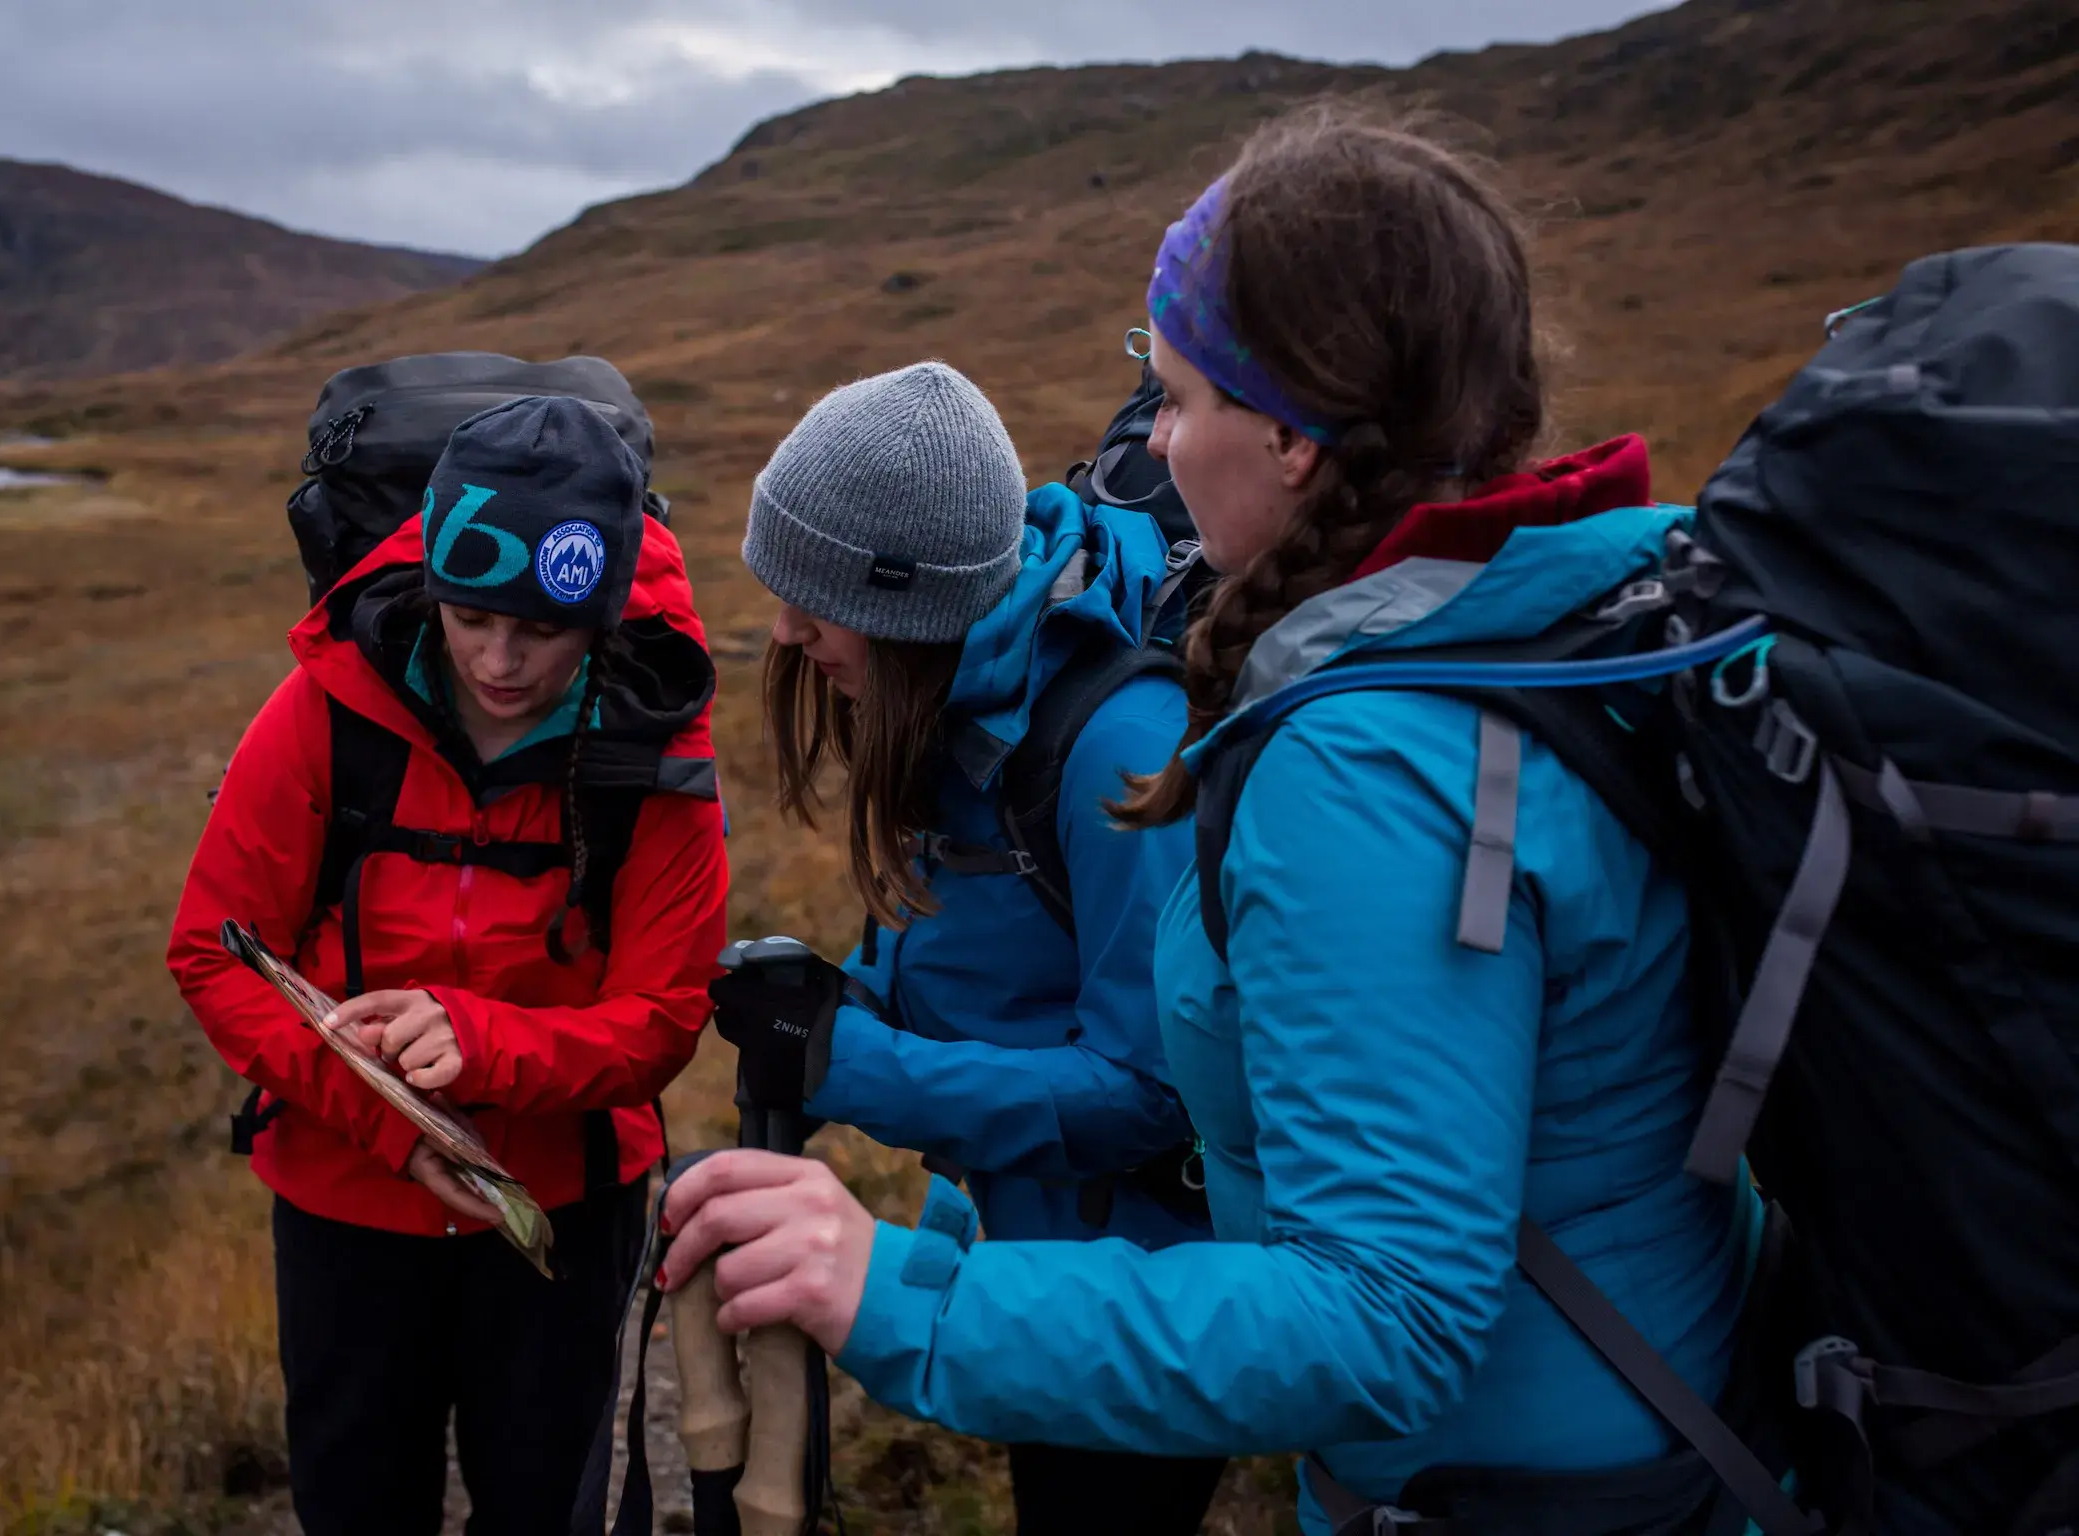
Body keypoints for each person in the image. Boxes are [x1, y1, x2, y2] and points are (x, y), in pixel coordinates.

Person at [659, 111, 1756, 1534]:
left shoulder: (1369, 764)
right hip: (1646, 1420)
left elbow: (1389, 1315)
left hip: (1512, 1487)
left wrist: (907, 1292)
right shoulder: (1565, 628)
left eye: (1174, 401)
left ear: (1294, 439)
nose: (1154, 449)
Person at [169, 396, 728, 1536]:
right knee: (357, 1500)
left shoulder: (654, 752)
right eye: (471, 617)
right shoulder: (328, 706)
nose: (502, 660)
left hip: (566, 1210)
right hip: (344, 1204)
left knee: (542, 1505)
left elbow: (664, 1020)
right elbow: (214, 953)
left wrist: (482, 1042)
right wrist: (390, 1124)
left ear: (606, 610)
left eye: (544, 628)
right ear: (431, 578)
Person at [737, 359, 1228, 1534]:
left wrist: (845, 1064)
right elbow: (988, 971)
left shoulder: (1117, 748)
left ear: (914, 604)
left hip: (1139, 1293)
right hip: (1035, 1260)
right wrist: (839, 1001)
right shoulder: (964, 704)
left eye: (817, 596)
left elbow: (1155, 1094)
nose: (785, 627)